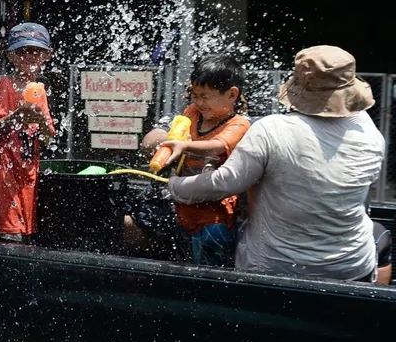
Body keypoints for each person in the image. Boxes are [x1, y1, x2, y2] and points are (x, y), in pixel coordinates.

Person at [170, 46, 384, 281]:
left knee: (219, 235)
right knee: (381, 236)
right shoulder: (370, 132)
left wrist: (175, 185)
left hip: (273, 268)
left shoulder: (271, 129)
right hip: (352, 267)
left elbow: (223, 183)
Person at [148, 54, 252, 266]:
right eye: (194, 95)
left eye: (205, 96)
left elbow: (219, 145)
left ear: (232, 95)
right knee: (181, 263)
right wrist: (169, 145)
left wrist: (184, 146)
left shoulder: (239, 123)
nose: (198, 102)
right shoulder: (193, 113)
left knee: (208, 268)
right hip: (183, 206)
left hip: (214, 216)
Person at [0, 22, 56, 242]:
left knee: (25, 234)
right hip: (5, 173)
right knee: (10, 235)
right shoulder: (5, 85)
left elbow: (48, 136)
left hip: (27, 174)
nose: (29, 58)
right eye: (23, 52)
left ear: (47, 56)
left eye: (36, 52)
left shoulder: (38, 91)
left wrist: (41, 122)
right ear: (11, 57)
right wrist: (16, 117)